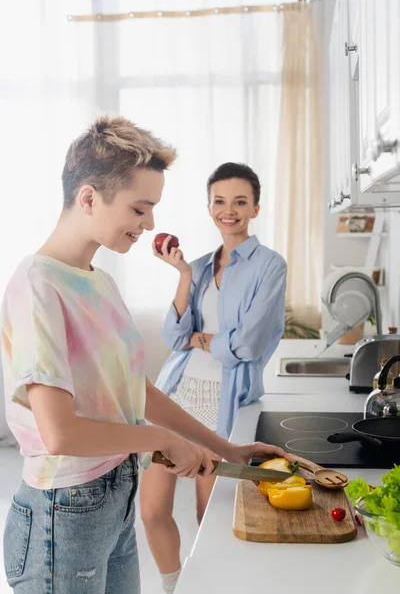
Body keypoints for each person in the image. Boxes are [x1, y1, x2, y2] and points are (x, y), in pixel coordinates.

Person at [0, 118, 290, 594]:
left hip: (115, 495)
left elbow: (136, 391)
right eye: (140, 208)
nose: (150, 224)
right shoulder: (38, 284)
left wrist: (228, 449)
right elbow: (58, 432)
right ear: (89, 197)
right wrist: (156, 438)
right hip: (63, 510)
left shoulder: (100, 281)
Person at [141, 162, 287, 592]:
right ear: (209, 207)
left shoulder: (269, 266)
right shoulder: (200, 266)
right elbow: (173, 335)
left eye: (240, 201)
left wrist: (201, 340)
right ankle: (176, 585)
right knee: (152, 510)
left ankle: (213, 585)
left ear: (255, 208)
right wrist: (184, 275)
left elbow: (248, 345)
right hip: (177, 395)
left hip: (224, 401)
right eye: (220, 201)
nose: (230, 210)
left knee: (210, 518)